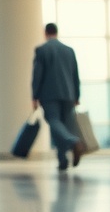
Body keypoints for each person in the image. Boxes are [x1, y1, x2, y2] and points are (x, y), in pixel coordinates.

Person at [32, 22, 84, 172]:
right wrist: (77, 94)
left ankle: (73, 142)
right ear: (56, 32)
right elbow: (75, 75)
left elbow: (37, 75)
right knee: (63, 126)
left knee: (54, 122)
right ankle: (62, 161)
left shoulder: (42, 50)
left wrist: (34, 96)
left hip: (49, 95)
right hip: (68, 94)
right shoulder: (69, 50)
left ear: (45, 33)